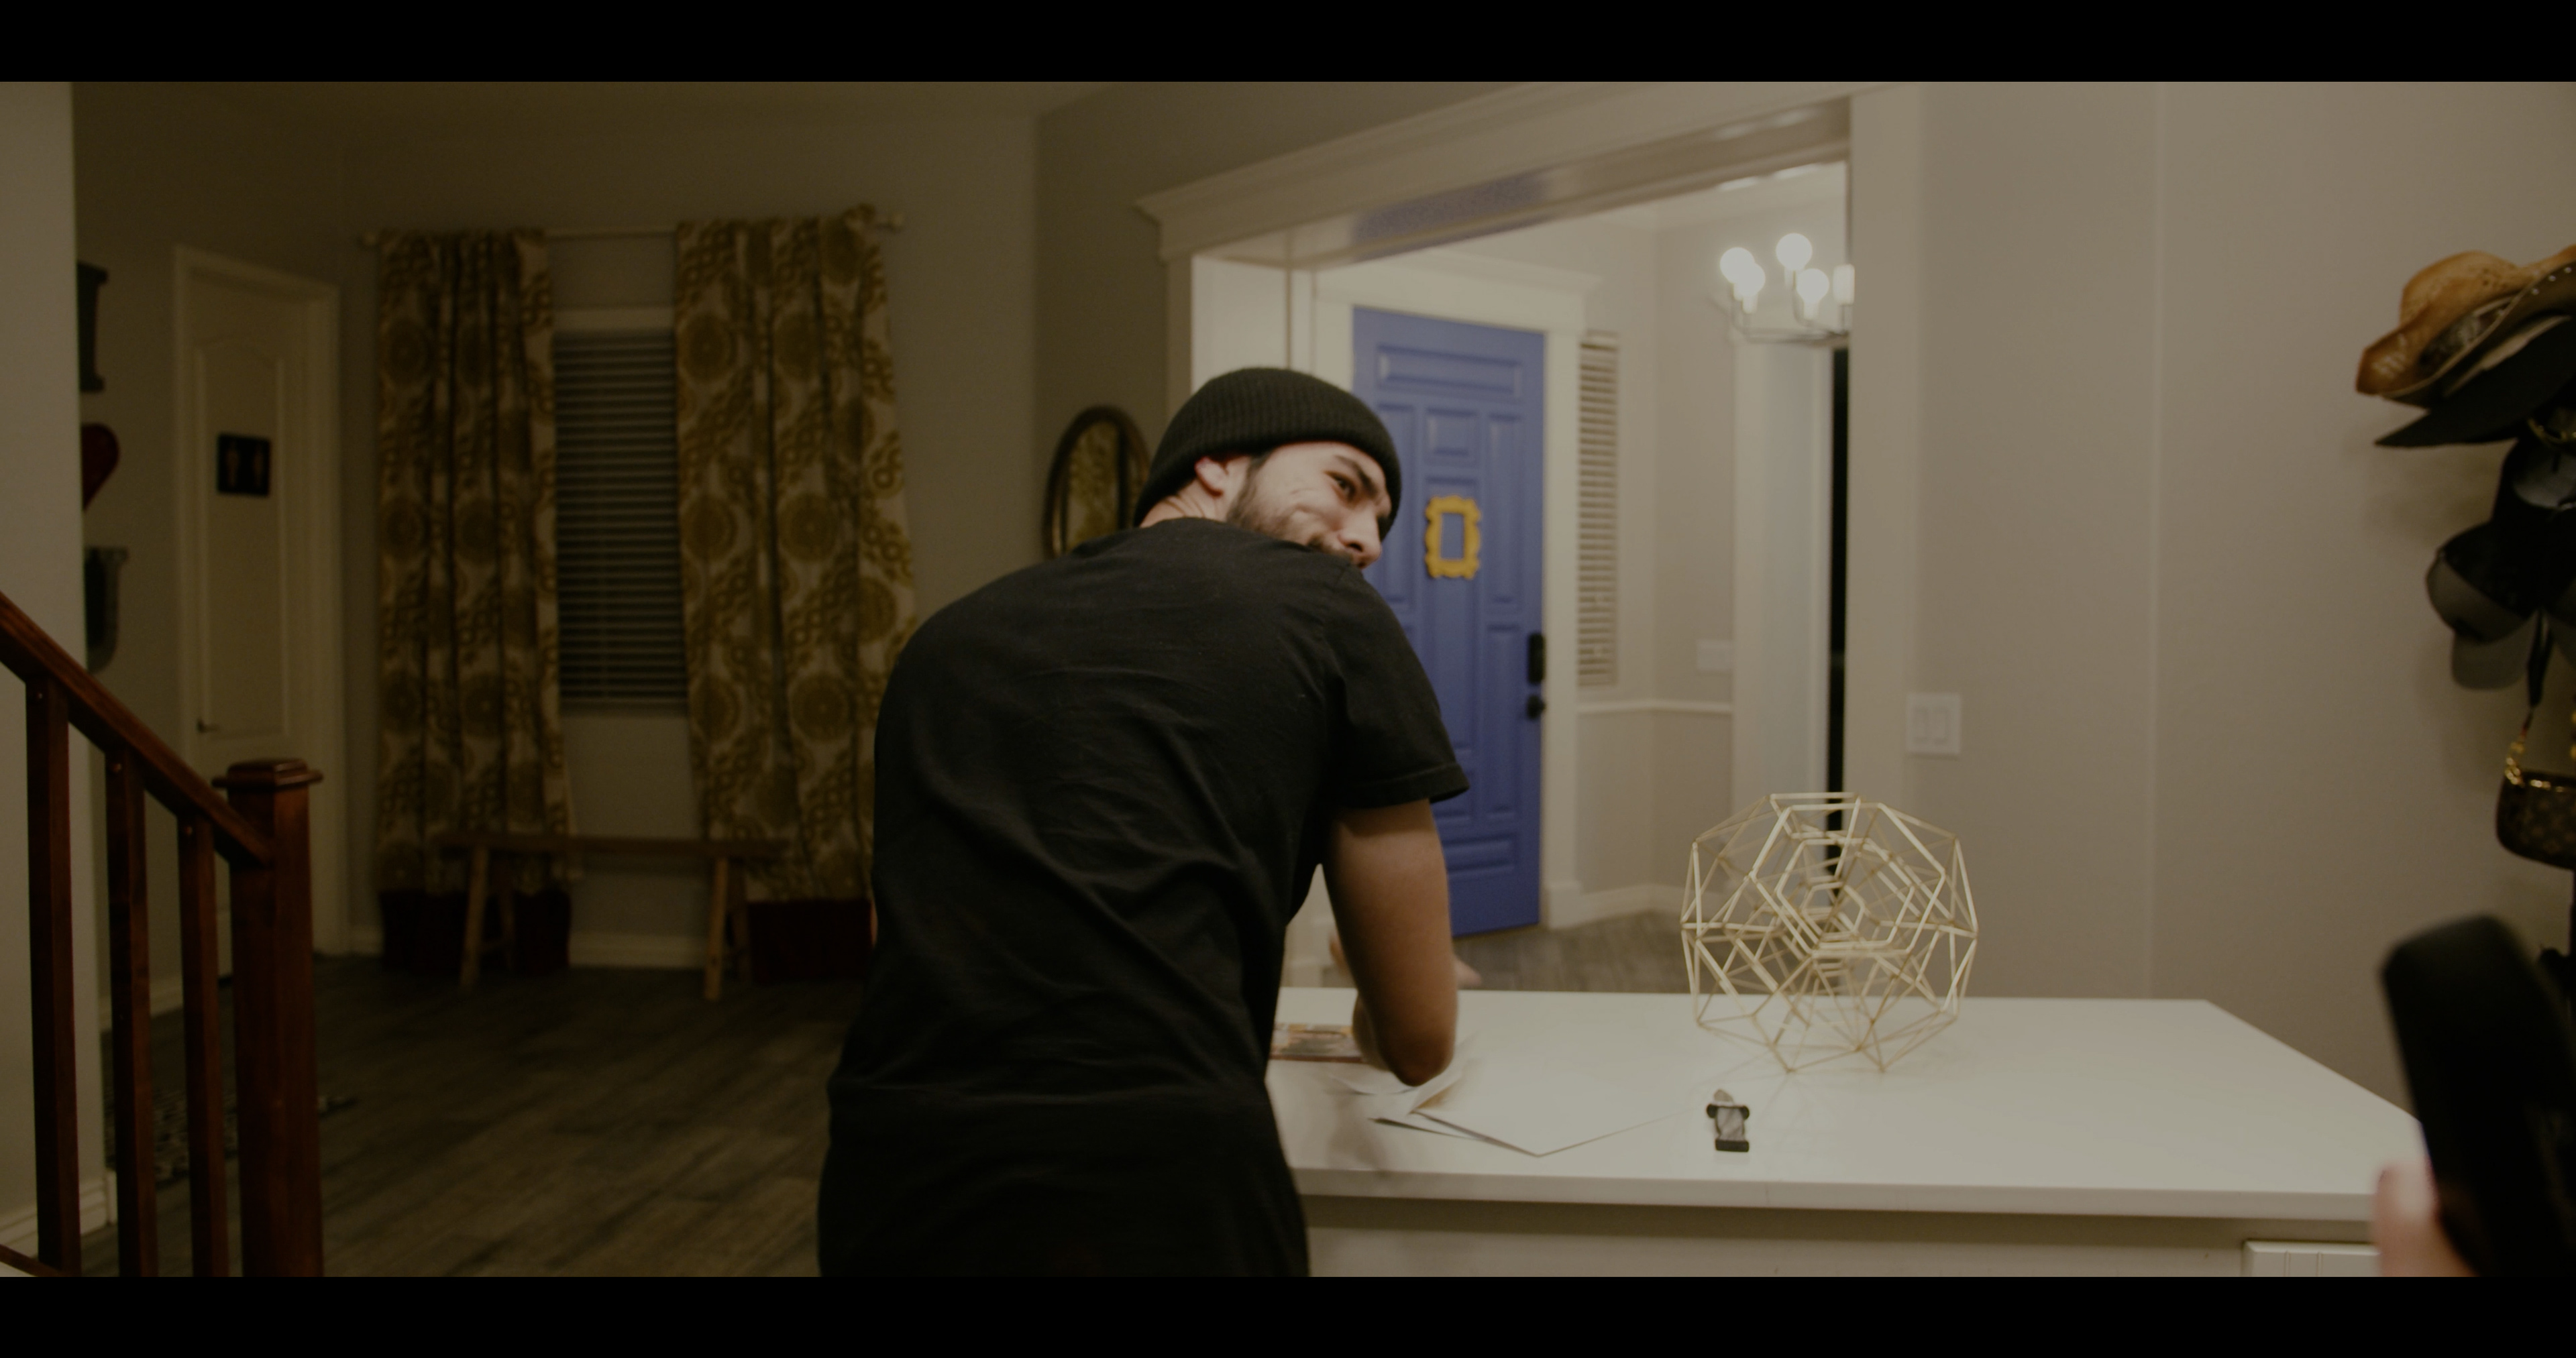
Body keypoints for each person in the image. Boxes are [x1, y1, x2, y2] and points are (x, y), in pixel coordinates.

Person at [818, 368, 1468, 1276]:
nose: (1366, 538)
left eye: (1381, 520)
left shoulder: (944, 641)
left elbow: (903, 936)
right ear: (1215, 463)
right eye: (1345, 485)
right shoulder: (1331, 611)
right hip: (1155, 1184)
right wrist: (1369, 985)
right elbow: (1419, 1040)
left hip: (891, 1173)